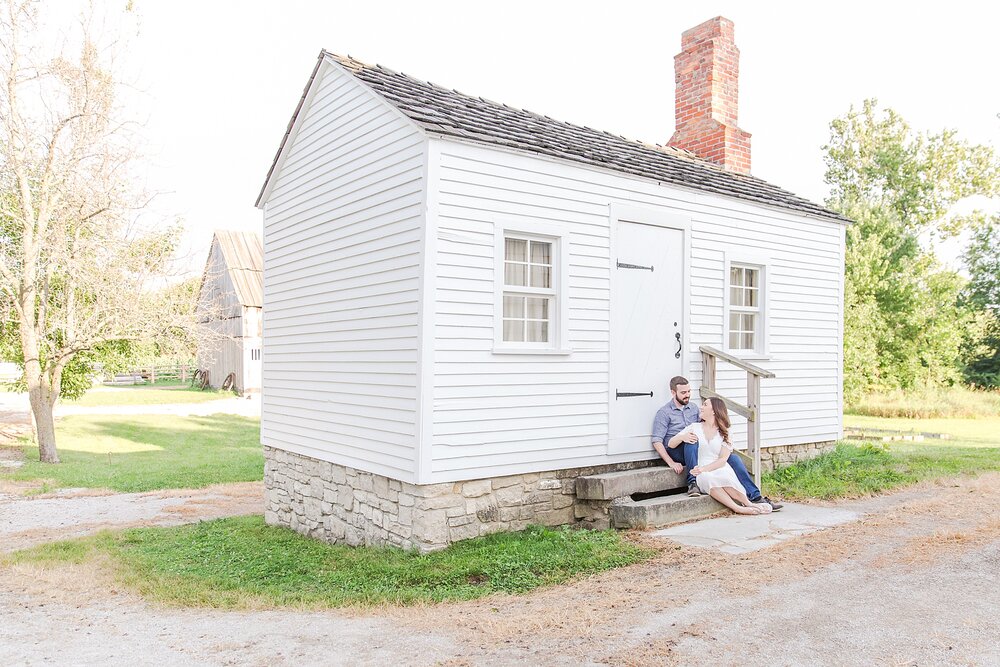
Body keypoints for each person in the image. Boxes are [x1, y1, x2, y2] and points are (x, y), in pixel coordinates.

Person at [651, 376, 783, 510]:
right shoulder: (664, 412)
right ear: (673, 393)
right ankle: (692, 482)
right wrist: (671, 462)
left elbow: (706, 426)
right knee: (692, 441)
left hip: (697, 449)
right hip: (677, 449)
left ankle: (755, 496)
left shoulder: (694, 408)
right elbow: (657, 441)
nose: (687, 395)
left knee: (734, 458)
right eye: (683, 393)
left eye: (689, 392)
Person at [668, 397, 773, 515]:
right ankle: (737, 508)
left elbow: (723, 460)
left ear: (714, 410)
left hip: (717, 466)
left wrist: (704, 469)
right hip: (700, 468)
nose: (701, 407)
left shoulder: (726, 431)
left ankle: (749, 503)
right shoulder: (694, 427)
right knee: (707, 479)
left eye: (705, 405)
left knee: (724, 478)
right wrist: (682, 437)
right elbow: (670, 444)